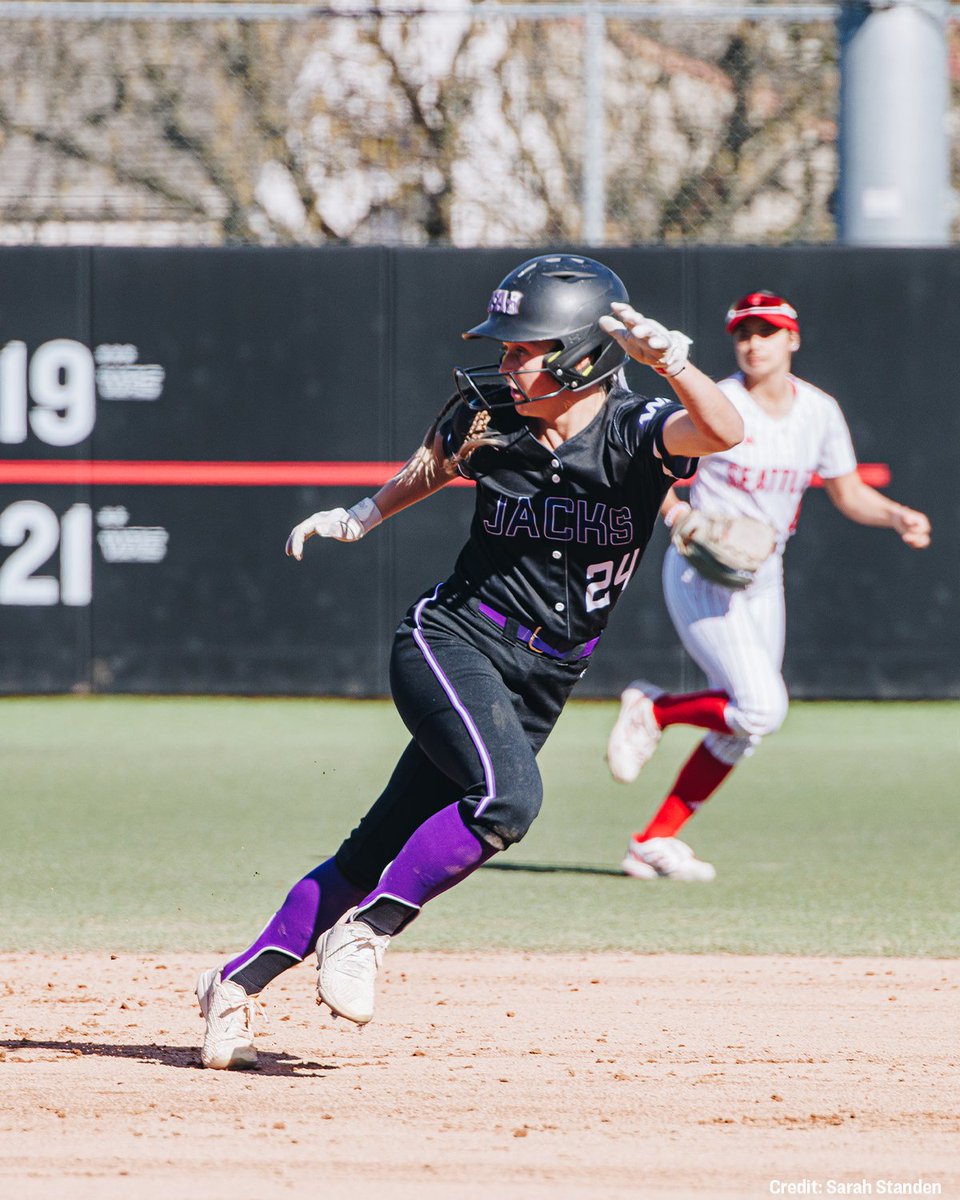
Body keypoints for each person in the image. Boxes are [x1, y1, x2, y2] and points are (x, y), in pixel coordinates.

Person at [194, 253, 744, 1068]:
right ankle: (369, 933)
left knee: (371, 848)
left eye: (527, 348)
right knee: (509, 800)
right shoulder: (488, 415)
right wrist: (360, 516)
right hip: (452, 640)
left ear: (585, 355)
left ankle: (234, 985)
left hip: (544, 678)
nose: (509, 362)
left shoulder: (636, 428)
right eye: (510, 347)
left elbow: (725, 431)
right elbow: (434, 465)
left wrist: (677, 363)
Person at [606, 290, 931, 882]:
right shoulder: (718, 402)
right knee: (760, 707)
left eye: (767, 331)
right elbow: (647, 466)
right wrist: (679, 516)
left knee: (744, 729)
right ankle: (655, 707)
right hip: (700, 571)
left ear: (793, 339)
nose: (754, 343)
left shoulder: (819, 411)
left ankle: (652, 842)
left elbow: (848, 491)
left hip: (762, 573)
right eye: (744, 333)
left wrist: (895, 516)